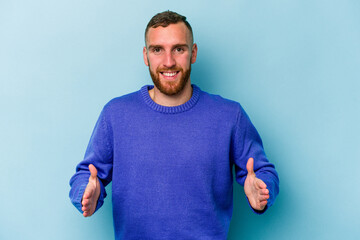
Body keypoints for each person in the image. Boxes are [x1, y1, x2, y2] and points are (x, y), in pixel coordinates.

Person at [69, 10, 279, 240]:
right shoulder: (116, 113)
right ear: (146, 55)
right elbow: (87, 176)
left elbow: (262, 171)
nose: (168, 62)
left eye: (179, 49)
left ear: (193, 53)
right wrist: (87, 193)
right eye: (157, 50)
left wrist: (261, 190)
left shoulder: (229, 115)